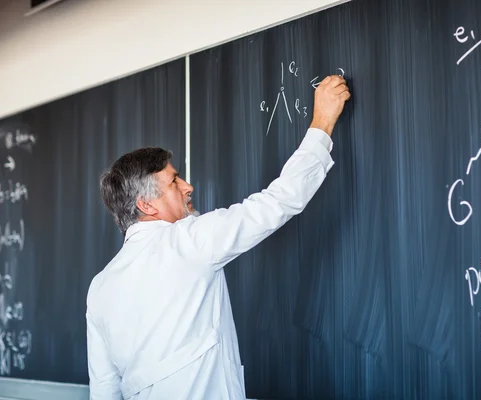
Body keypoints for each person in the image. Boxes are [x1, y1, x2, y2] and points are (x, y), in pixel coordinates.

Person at [86, 75, 351, 399]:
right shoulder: (187, 241)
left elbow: (103, 391)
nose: (188, 187)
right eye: (174, 182)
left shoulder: (99, 288)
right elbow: (277, 202)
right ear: (146, 205)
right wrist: (322, 123)